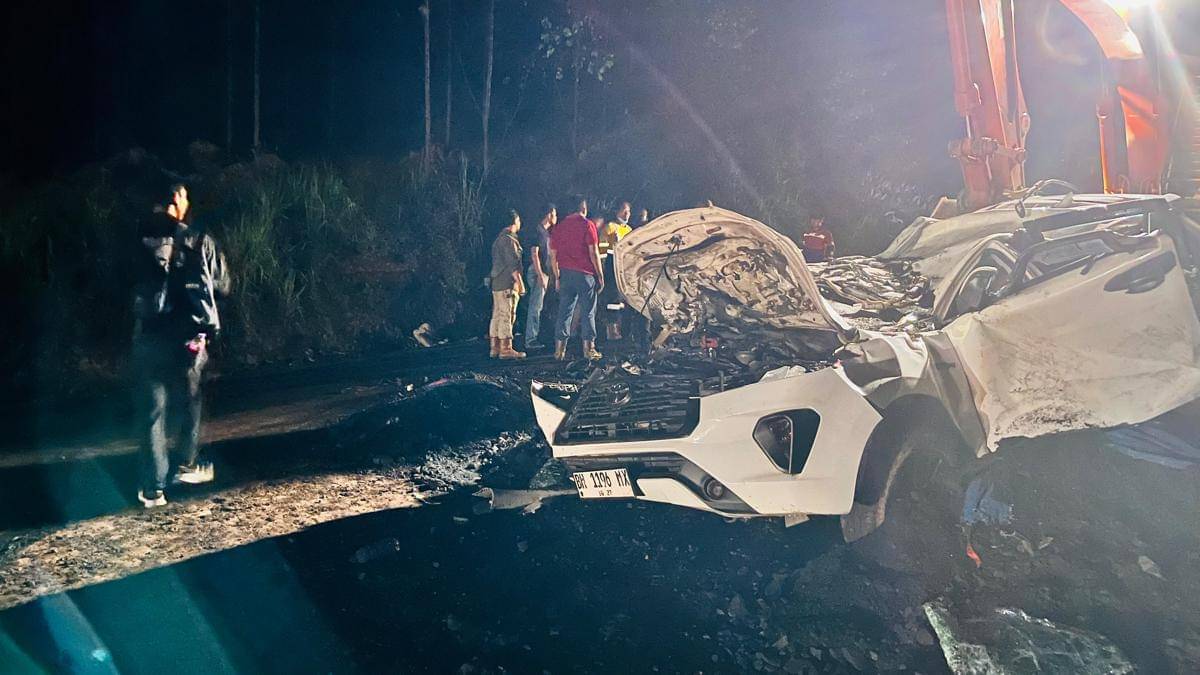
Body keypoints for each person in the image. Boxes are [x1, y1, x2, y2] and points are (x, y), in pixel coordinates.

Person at [131, 184, 229, 508]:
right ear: (179, 201)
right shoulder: (197, 239)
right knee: (190, 398)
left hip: (149, 335)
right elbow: (219, 284)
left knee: (152, 412)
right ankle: (186, 464)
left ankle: (152, 489)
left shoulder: (136, 238)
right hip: (187, 336)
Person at [550, 199, 604, 361]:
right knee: (588, 311)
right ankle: (589, 349)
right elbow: (593, 252)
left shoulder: (559, 227)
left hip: (566, 274)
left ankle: (559, 350)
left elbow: (553, 255)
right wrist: (600, 276)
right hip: (585, 275)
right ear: (583, 208)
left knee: (564, 311)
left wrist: (557, 276)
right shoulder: (587, 225)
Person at [488, 210, 526, 359]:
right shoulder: (509, 240)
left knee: (496, 315)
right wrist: (520, 284)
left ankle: (495, 347)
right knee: (507, 315)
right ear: (514, 221)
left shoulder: (498, 240)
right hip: (507, 283)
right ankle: (506, 348)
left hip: (497, 282)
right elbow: (513, 265)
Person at [522, 204, 557, 350]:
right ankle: (530, 339)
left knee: (540, 305)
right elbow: (534, 253)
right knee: (535, 306)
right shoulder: (538, 231)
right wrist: (540, 274)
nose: (556, 217)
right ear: (549, 215)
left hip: (544, 272)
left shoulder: (546, 233)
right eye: (554, 214)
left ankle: (536, 336)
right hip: (538, 272)